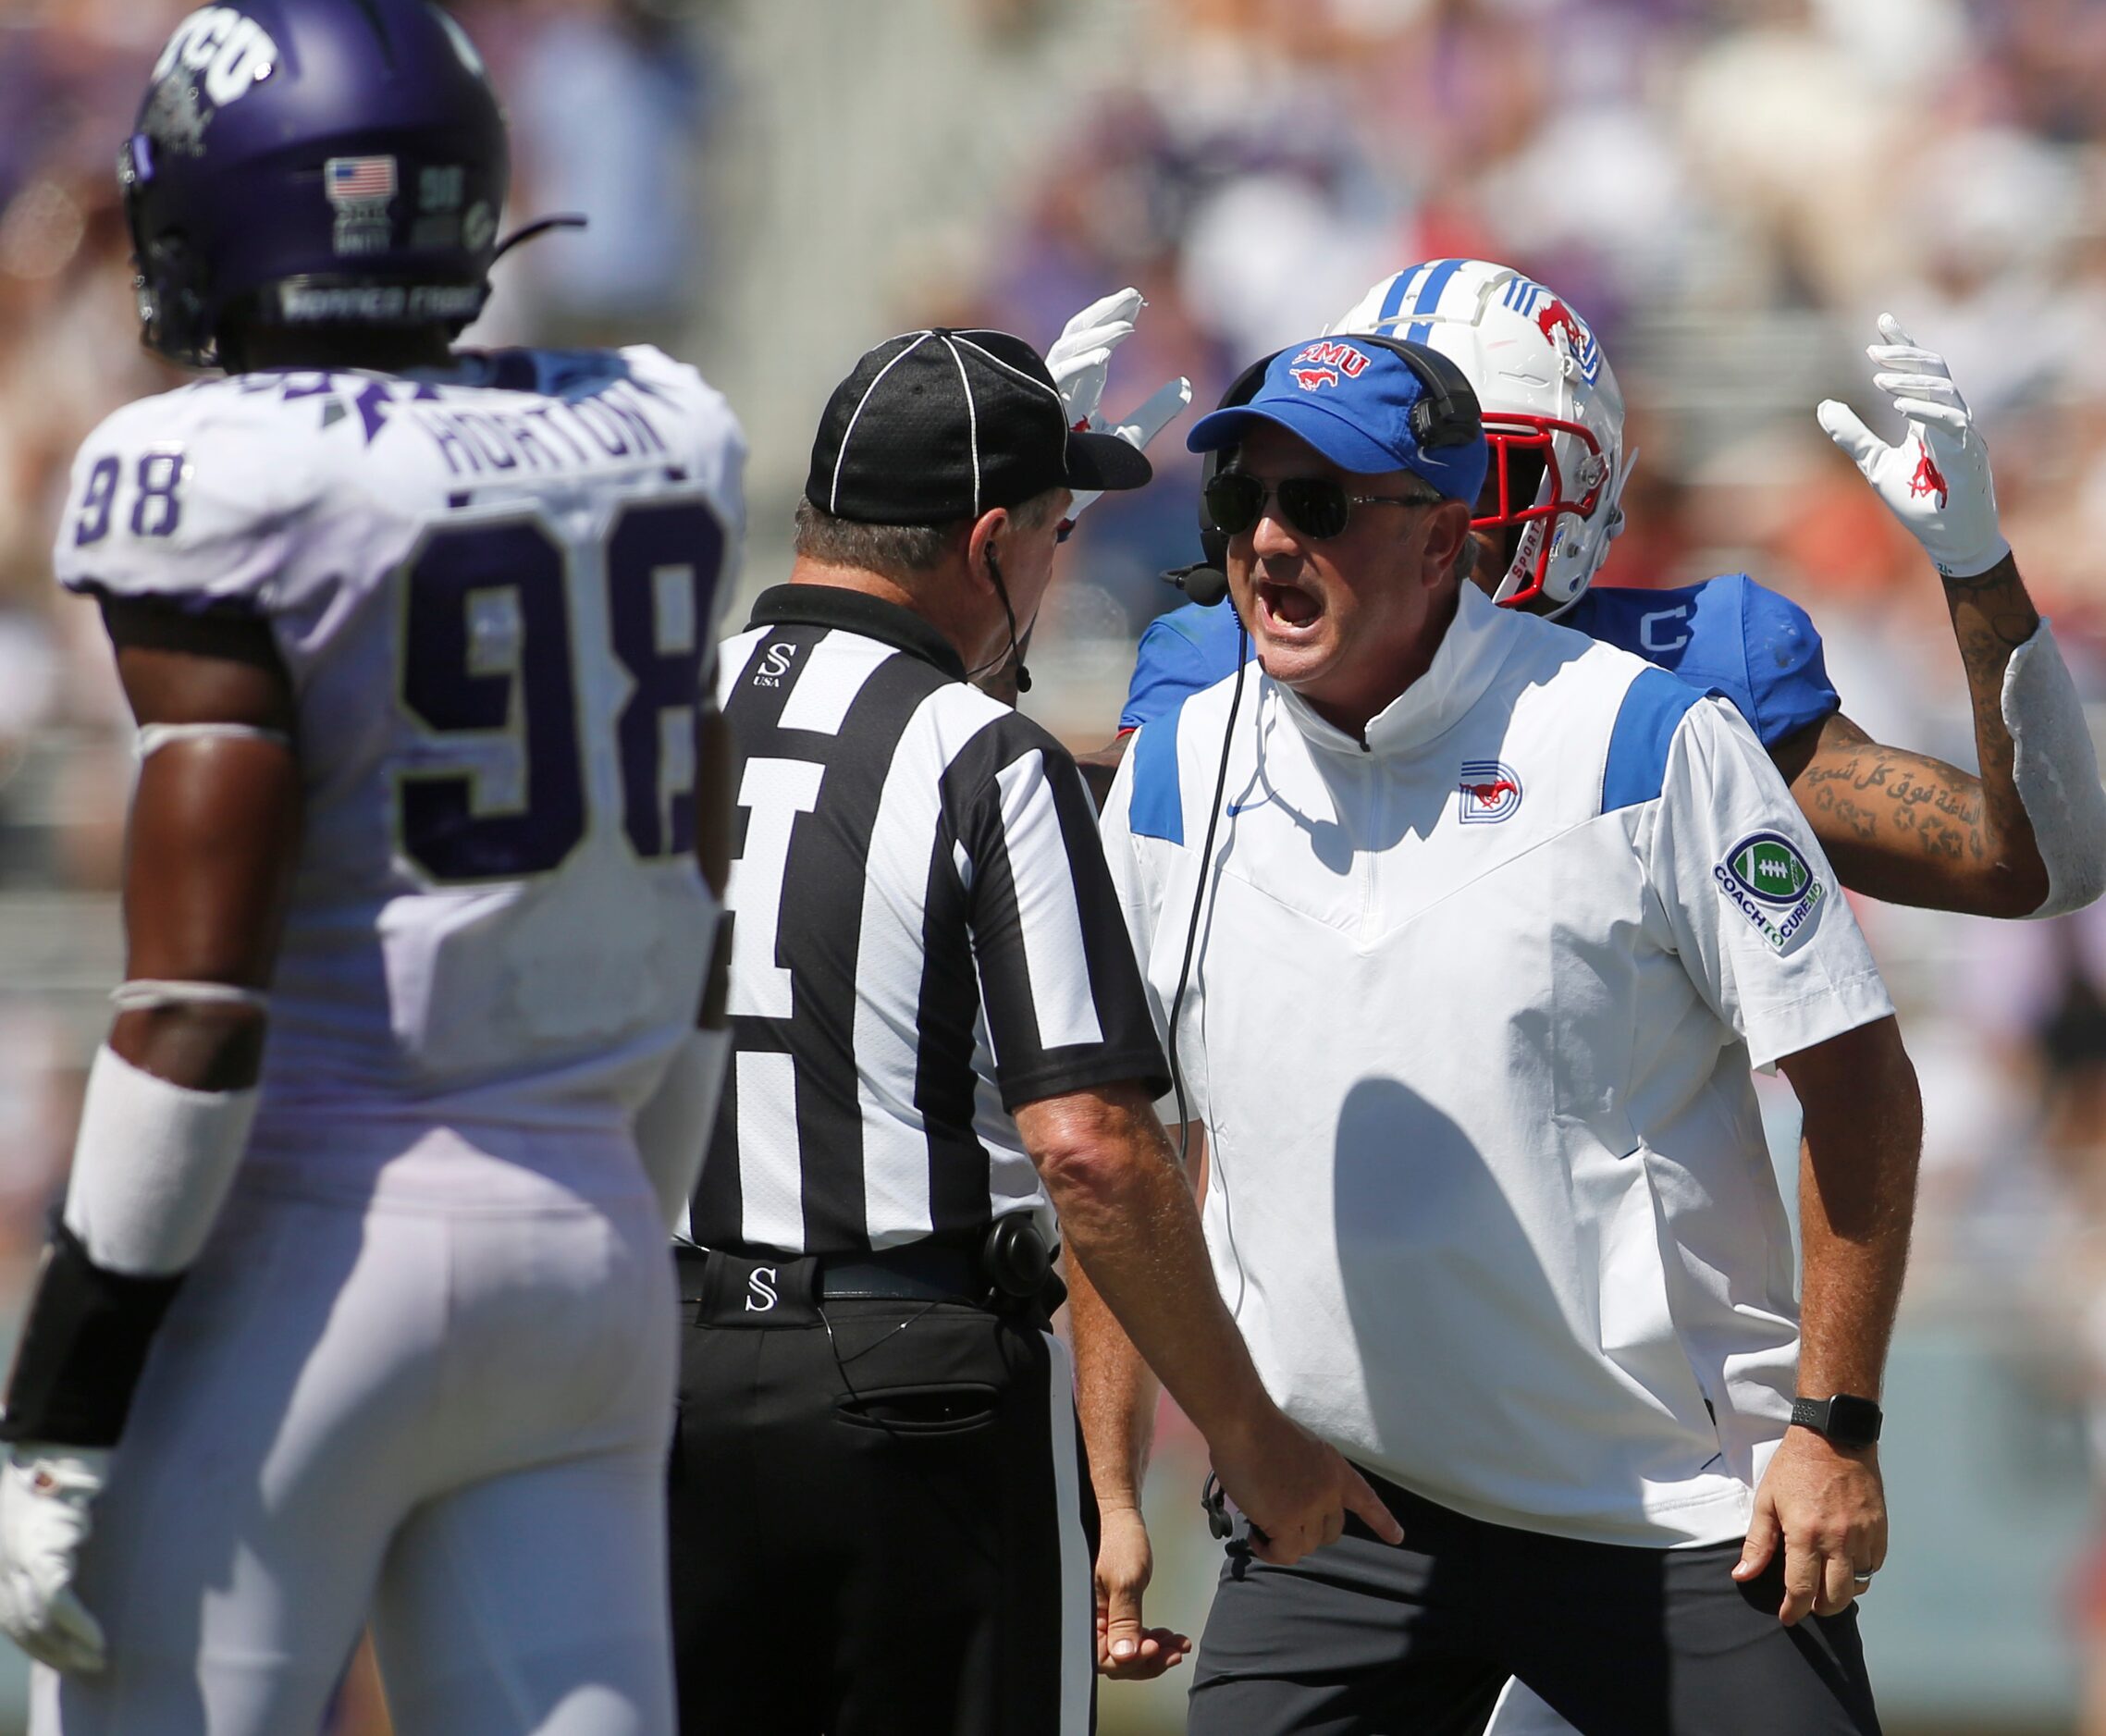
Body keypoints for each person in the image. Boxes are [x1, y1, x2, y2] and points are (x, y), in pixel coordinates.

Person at [0, 4, 745, 1731]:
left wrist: (60, 1401)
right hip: (587, 1254)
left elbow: (193, 1002)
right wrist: (630, 1218)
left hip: (307, 1257)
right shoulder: (646, 427)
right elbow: (688, 919)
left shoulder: (215, 471)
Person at [1087, 331, 1923, 1733]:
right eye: (1243, 505)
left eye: (1326, 502)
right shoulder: (1176, 762)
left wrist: (1833, 1426)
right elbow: (1120, 1142)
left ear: (1441, 539)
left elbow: (1860, 1088)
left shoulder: (1642, 739)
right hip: (1341, 1517)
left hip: (1660, 1514)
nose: (1271, 542)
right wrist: (1119, 1485)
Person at [665, 324, 1394, 1736]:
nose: (1062, 568)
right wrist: (1252, 1440)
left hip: (659, 1362)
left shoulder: (658, 714)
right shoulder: (981, 755)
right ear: (987, 537)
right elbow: (1094, 1150)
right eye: (1057, 533)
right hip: (912, 1384)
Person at [1100, 259, 2106, 931]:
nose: (1433, 520)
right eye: (1346, 481)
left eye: (1473, 481)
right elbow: (1015, 879)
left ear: (1571, 496)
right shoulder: (1213, 667)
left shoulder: (1691, 675)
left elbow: (2032, 868)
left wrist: (1978, 569)